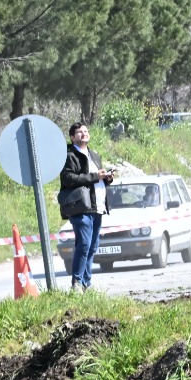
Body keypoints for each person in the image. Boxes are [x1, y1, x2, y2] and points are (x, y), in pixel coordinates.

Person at [58, 122, 114, 290]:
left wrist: (107, 178)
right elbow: (69, 179)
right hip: (81, 207)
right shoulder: (69, 156)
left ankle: (86, 283)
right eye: (80, 132)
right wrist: (95, 176)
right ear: (72, 137)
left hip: (97, 206)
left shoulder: (94, 155)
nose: (84, 134)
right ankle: (77, 282)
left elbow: (96, 178)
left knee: (92, 246)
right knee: (83, 244)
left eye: (86, 131)